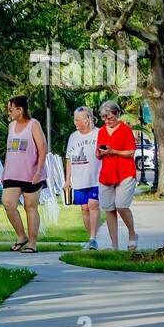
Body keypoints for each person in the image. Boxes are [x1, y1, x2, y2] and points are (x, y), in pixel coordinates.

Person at [1, 94, 47, 253]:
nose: (9, 112)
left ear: (20, 110)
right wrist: (5, 171)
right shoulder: (11, 126)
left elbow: (43, 149)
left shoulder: (34, 125)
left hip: (31, 173)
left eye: (11, 109)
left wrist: (39, 172)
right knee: (8, 203)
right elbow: (8, 150)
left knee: (30, 207)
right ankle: (21, 236)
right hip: (12, 173)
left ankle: (32, 243)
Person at [96, 99, 139, 250]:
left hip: (125, 172)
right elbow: (98, 152)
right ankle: (115, 246)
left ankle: (132, 234)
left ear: (117, 113)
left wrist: (113, 151)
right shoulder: (101, 131)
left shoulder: (125, 130)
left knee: (121, 205)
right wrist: (100, 153)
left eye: (109, 117)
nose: (107, 120)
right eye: (104, 117)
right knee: (109, 209)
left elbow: (131, 152)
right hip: (107, 174)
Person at [65, 106, 102, 250]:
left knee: (93, 204)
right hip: (79, 179)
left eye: (78, 120)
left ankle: (93, 238)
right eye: (75, 119)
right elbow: (68, 158)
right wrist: (68, 180)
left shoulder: (98, 134)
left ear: (87, 120)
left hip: (96, 177)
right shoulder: (73, 137)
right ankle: (91, 239)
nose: (75, 122)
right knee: (84, 208)